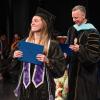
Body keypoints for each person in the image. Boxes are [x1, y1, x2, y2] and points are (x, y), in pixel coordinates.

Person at [13, 7, 66, 100]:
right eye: (32, 21)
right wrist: (14, 57)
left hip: (43, 91)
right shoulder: (24, 42)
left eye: (36, 21)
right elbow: (15, 69)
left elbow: (60, 69)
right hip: (25, 90)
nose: (32, 23)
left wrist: (48, 61)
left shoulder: (52, 45)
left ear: (44, 24)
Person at [66, 5, 100, 100]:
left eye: (76, 17)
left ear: (83, 15)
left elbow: (94, 56)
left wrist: (80, 49)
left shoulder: (92, 32)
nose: (73, 20)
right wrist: (65, 54)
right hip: (73, 72)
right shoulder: (72, 29)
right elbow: (68, 47)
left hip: (86, 75)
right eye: (72, 17)